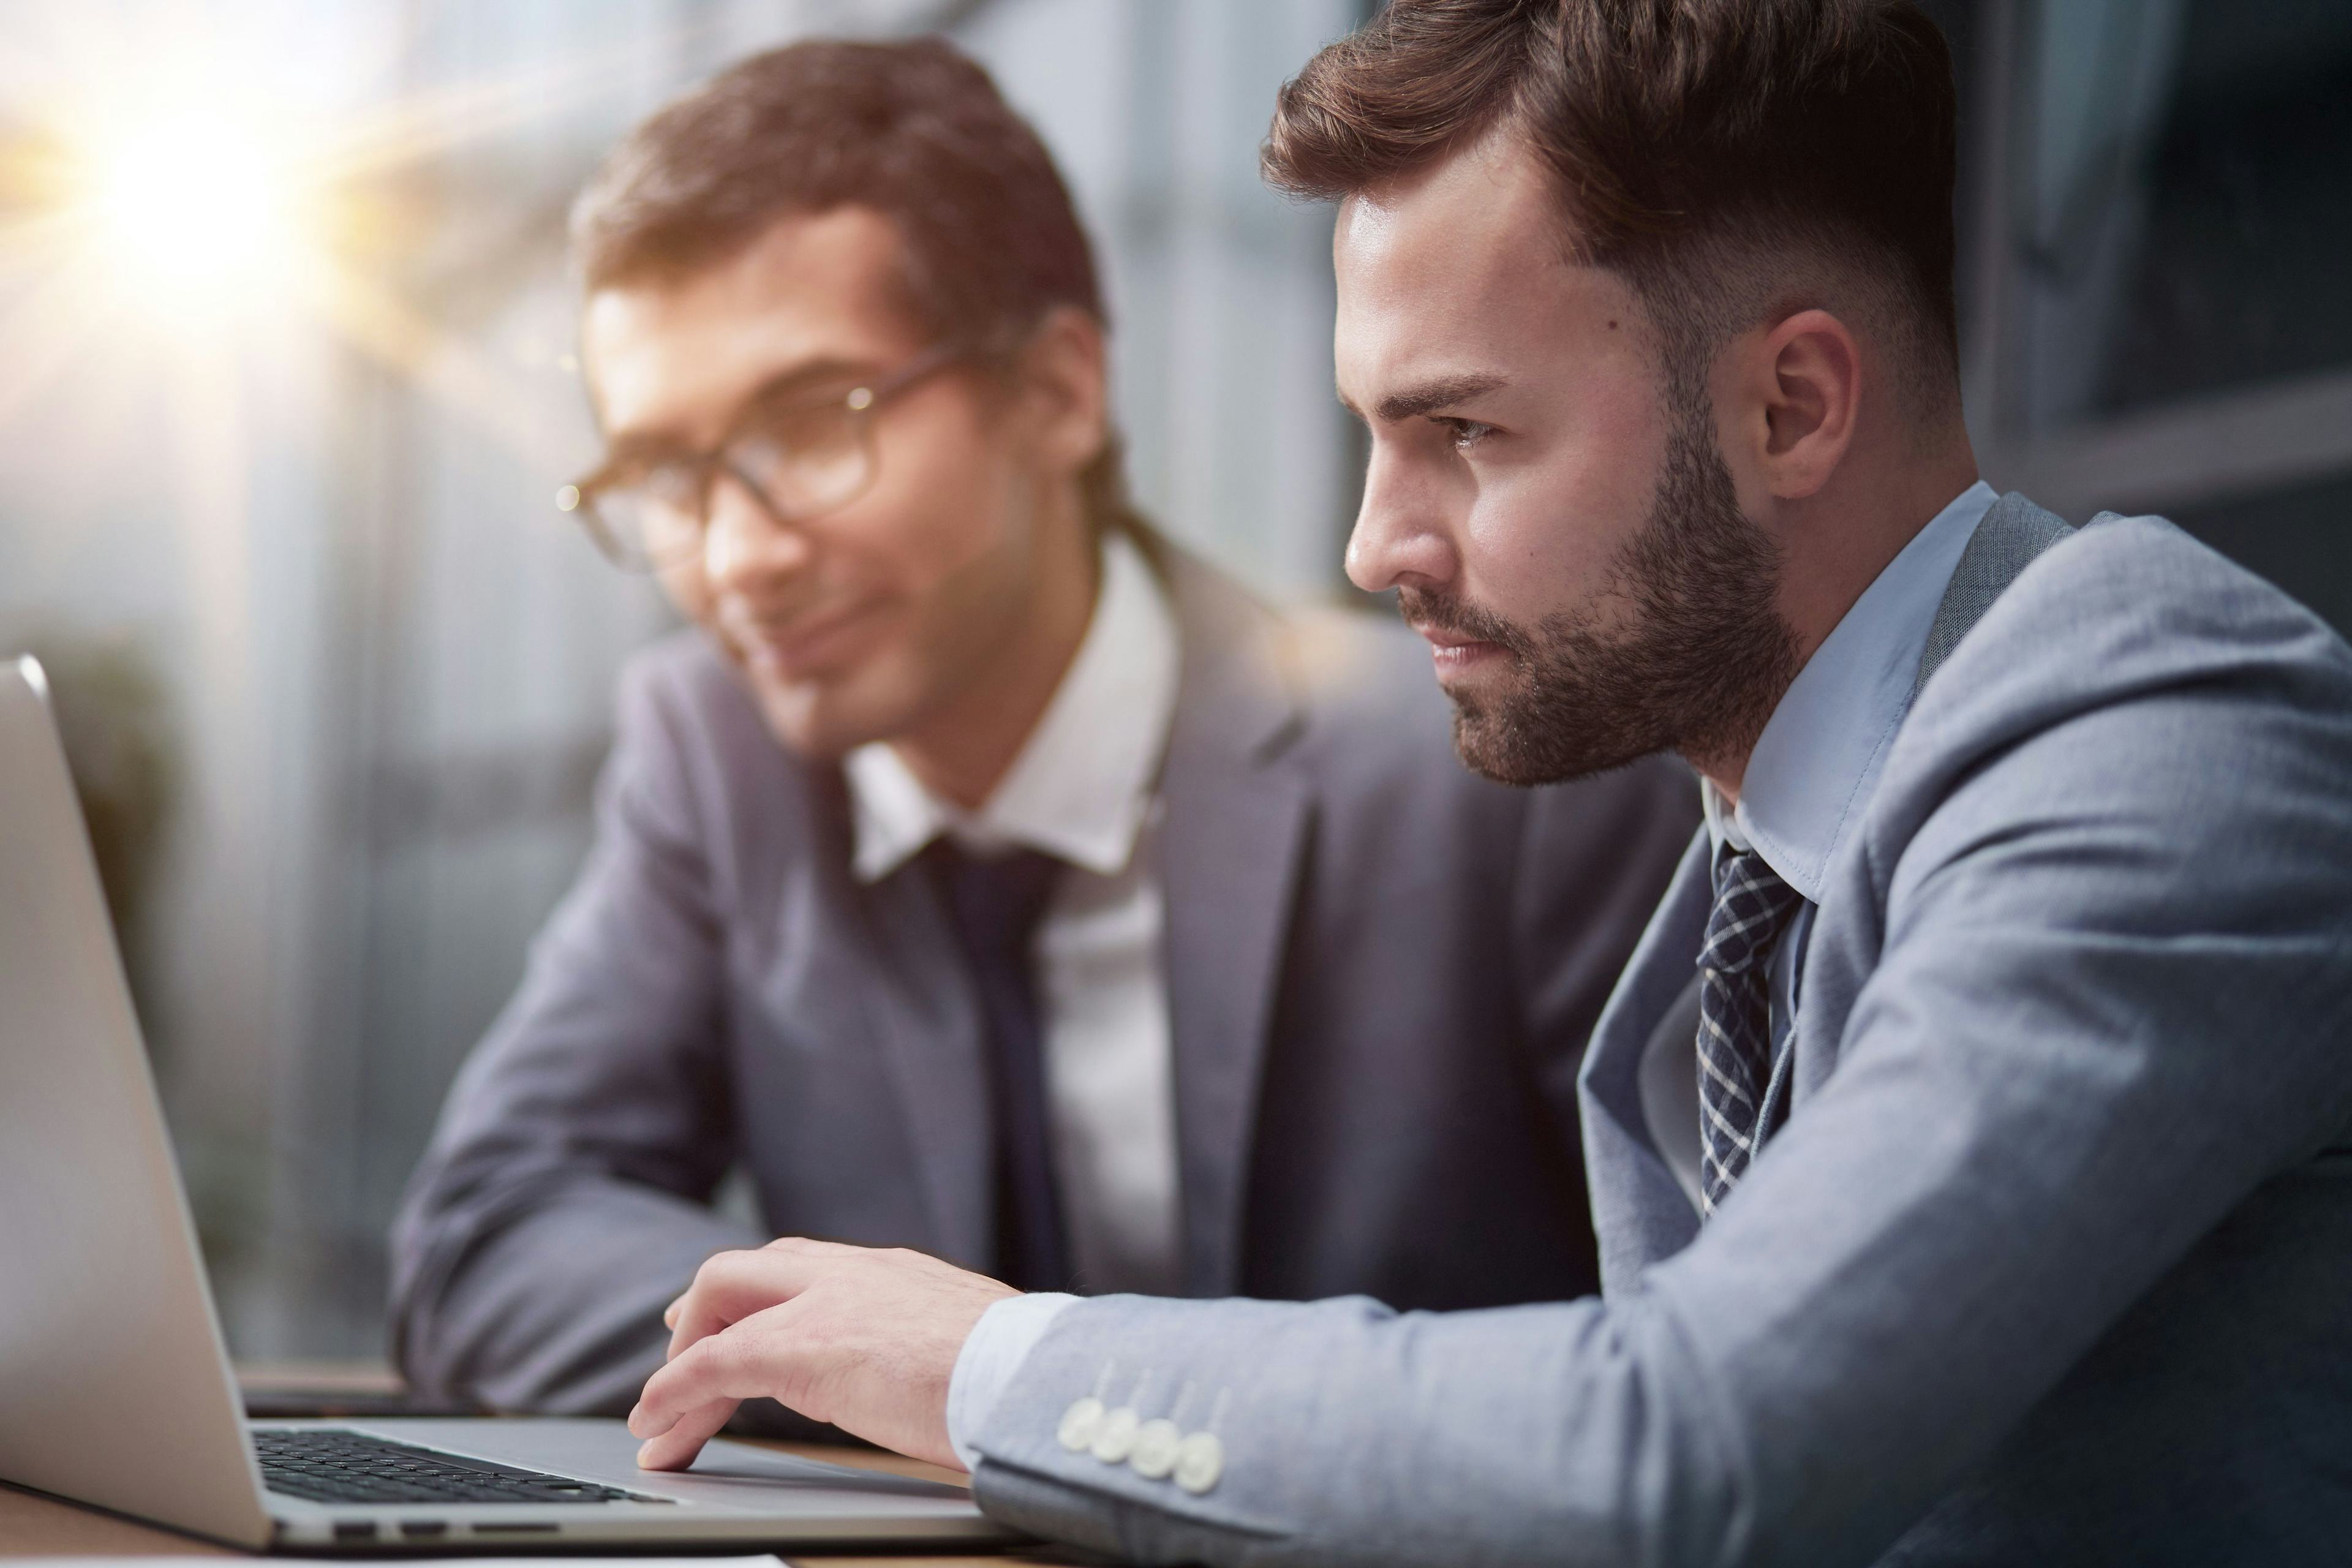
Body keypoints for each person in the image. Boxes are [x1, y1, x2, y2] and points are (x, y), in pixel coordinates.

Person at [619, 2, 2352, 1562]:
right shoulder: (1749, 865)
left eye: (1467, 435)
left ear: (1795, 406)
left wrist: (991, 1361)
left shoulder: (2170, 727)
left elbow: (1690, 1444)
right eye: (1376, 435)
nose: (1374, 548)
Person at [387, 37, 1697, 1430]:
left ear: (1060, 389)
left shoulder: (1495, 764)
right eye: (666, 474)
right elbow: (485, 1239)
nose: (735, 555)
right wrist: (859, 1353)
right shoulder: (721, 756)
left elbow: (1687, 1386)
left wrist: (1010, 1374)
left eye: (809, 424)